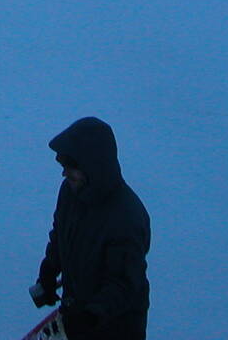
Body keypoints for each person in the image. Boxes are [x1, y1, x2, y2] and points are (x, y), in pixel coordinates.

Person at [28, 116, 150, 339]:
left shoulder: (126, 217)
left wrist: (91, 316)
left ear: (93, 166)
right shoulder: (70, 192)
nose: (65, 173)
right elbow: (60, 235)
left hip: (116, 327)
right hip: (77, 312)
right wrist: (49, 269)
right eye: (63, 166)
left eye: (71, 167)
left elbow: (124, 283)